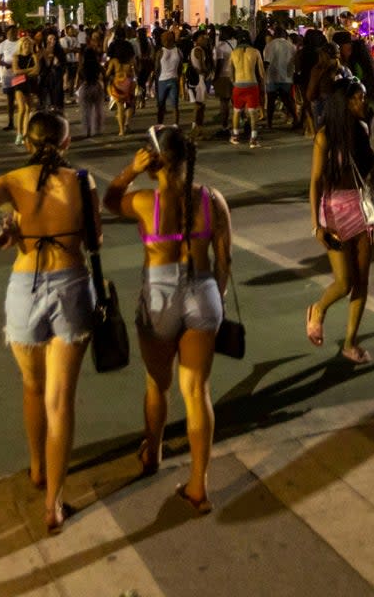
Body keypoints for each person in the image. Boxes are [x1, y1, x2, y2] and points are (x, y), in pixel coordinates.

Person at [0, 112, 95, 533]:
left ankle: (37, 468)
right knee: (61, 399)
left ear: (27, 140)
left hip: (25, 284)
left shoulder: (13, 180)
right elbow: (96, 240)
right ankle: (53, 503)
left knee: (32, 387)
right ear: (67, 143)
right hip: (71, 284)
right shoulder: (81, 181)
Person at [104, 127, 232, 515]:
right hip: (204, 289)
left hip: (160, 296)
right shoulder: (212, 200)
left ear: (155, 160)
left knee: (158, 384)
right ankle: (199, 486)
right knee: (197, 392)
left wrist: (129, 170)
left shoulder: (146, 202)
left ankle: (154, 452)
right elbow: (225, 259)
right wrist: (216, 298)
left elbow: (109, 201)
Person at [308, 78, 374, 363]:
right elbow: (315, 182)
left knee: (362, 280)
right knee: (344, 282)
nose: (363, 102)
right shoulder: (324, 137)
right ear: (343, 102)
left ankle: (350, 342)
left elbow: (362, 168)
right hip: (333, 211)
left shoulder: (360, 129)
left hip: (360, 207)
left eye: (364, 97)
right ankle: (318, 309)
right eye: (358, 98)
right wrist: (316, 226)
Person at [230, 36, 265, 148]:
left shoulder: (233, 53)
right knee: (253, 112)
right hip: (252, 83)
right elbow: (261, 72)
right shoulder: (255, 52)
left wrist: (234, 82)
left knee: (236, 111)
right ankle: (253, 140)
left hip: (238, 84)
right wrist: (263, 86)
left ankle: (235, 137)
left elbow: (230, 72)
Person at [263, 26, 298, 130]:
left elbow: (266, 62)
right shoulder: (291, 46)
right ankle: (295, 118)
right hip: (287, 76)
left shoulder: (270, 45)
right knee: (288, 100)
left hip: (272, 76)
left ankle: (269, 123)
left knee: (271, 101)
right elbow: (294, 61)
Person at [76, 31, 106, 139]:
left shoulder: (83, 66)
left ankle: (87, 129)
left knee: (86, 110)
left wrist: (76, 86)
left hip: (85, 86)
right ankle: (97, 128)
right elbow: (104, 73)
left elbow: (79, 75)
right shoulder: (97, 64)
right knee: (98, 109)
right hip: (96, 85)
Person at [12, 37, 40, 146]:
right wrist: (30, 70)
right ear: (21, 45)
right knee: (22, 108)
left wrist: (24, 72)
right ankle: (19, 133)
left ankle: (25, 133)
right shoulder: (16, 56)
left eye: (28, 44)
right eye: (24, 44)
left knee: (29, 108)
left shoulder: (34, 56)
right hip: (19, 83)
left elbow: (37, 71)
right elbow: (15, 71)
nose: (27, 46)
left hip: (30, 83)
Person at [106, 42, 137, 137]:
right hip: (129, 83)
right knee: (130, 104)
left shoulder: (114, 61)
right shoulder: (131, 60)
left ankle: (121, 130)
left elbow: (107, 74)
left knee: (120, 107)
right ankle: (127, 123)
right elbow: (136, 71)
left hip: (118, 83)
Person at [185, 31, 211, 139]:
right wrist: (208, 71)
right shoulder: (198, 50)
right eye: (202, 38)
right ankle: (195, 129)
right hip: (199, 81)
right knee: (198, 106)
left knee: (200, 106)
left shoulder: (195, 49)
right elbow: (202, 67)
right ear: (196, 40)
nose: (205, 39)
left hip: (196, 80)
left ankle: (198, 129)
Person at [154, 30, 183, 127]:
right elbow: (180, 67)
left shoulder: (160, 51)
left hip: (162, 80)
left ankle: (159, 124)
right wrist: (179, 77)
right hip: (174, 79)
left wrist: (154, 81)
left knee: (161, 105)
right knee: (175, 105)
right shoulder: (178, 51)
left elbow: (157, 68)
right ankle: (175, 125)